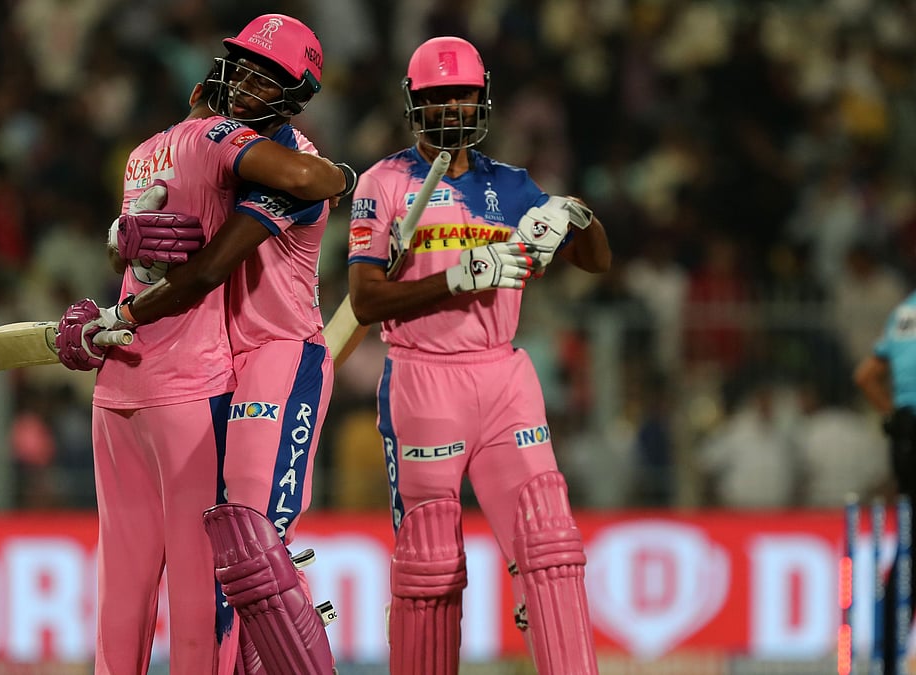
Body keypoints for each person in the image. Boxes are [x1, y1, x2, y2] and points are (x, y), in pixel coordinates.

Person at [54, 15, 350, 675]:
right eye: (241, 66)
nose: (244, 83)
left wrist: (119, 314)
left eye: (265, 77)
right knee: (227, 559)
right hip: (214, 363)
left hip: (277, 354)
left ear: (295, 95)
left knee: (252, 544)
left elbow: (208, 269)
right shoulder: (212, 149)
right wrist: (125, 237)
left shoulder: (288, 168)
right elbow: (160, 245)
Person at [343, 36, 611, 674]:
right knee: (430, 564)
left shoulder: (511, 185)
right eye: (438, 97)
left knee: (551, 545)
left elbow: (596, 261)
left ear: (482, 98)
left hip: (503, 375)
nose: (452, 108)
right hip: (422, 377)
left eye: (462, 94)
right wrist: (459, 276)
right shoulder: (384, 183)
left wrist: (576, 214)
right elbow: (365, 300)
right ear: (415, 103)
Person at [854, 288, 916, 675]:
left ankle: (889, 649)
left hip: (906, 440)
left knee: (910, 548)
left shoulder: (904, 312)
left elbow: (865, 377)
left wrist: (895, 418)